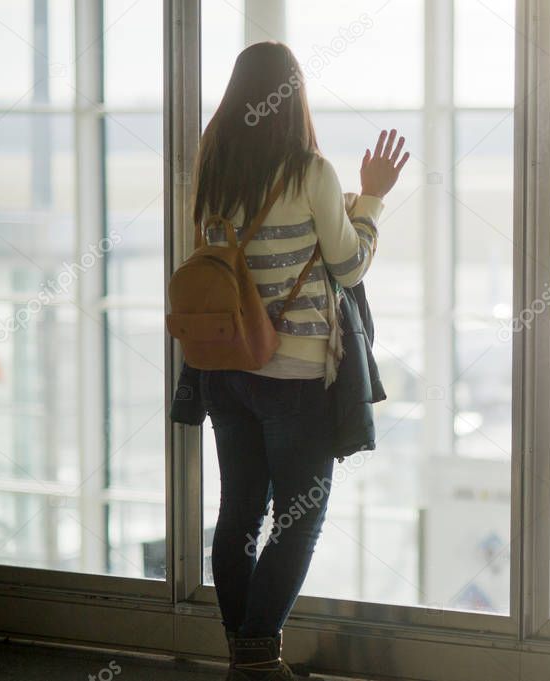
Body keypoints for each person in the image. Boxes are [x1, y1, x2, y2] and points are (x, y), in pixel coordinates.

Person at [189, 41, 408, 680]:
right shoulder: (308, 171)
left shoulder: (213, 169)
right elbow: (350, 264)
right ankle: (256, 662)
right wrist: (370, 197)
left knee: (239, 514)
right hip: (291, 376)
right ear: (292, 98)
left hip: (224, 368)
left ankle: (246, 658)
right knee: (300, 517)